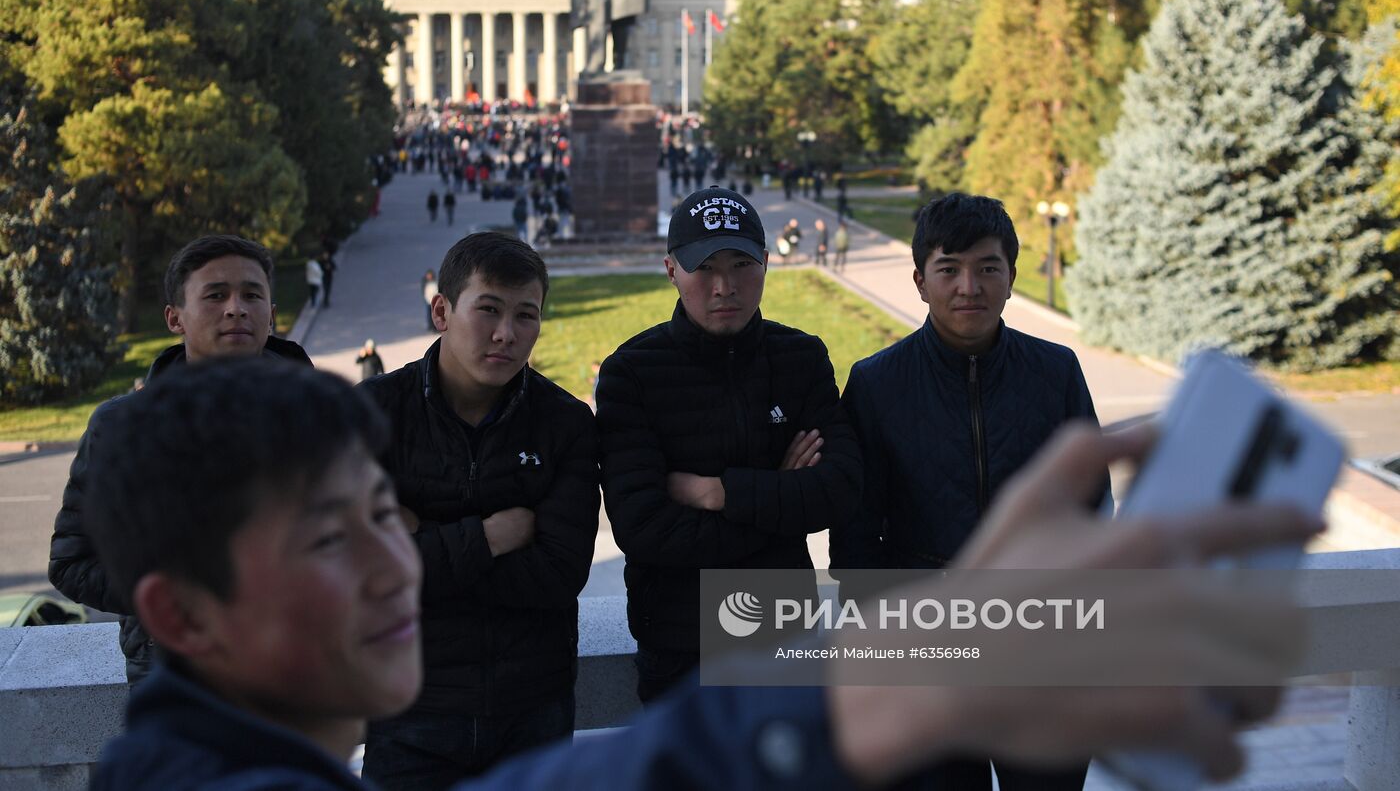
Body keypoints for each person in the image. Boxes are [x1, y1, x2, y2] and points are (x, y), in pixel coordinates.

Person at [86, 359, 1321, 790]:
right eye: (324, 538)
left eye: (386, 513)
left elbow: (830, 490)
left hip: (763, 613)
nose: (392, 563)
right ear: (180, 614)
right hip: (693, 625)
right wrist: (897, 674)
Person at [830, 192, 1106, 791]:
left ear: (1011, 277)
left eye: (988, 268)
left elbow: (1091, 507)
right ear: (920, 281)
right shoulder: (877, 384)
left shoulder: (1055, 372)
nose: (968, 287)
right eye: (948, 269)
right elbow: (855, 535)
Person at [596, 185, 862, 703]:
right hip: (679, 640)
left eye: (741, 264)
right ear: (672, 270)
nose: (724, 286)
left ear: (766, 262)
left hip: (781, 630)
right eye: (705, 267)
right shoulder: (633, 373)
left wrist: (718, 493)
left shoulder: (801, 358)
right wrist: (779, 499)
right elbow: (643, 528)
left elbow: (841, 489)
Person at [358, 233, 599, 787]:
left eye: (526, 316)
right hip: (407, 710)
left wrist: (423, 540)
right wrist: (489, 537)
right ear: (441, 310)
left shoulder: (564, 422)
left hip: (531, 709)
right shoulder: (371, 415)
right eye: (488, 309)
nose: (505, 334)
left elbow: (559, 576)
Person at [49, 235, 312, 683]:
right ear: (175, 318)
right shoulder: (120, 428)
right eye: (215, 295)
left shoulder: (322, 420)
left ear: (271, 313)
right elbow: (71, 563)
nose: (236, 308)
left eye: (252, 294)